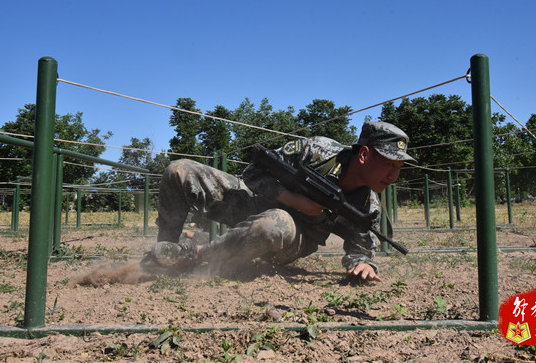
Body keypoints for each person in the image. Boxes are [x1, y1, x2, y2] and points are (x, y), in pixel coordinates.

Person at [141, 121, 416, 282]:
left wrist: (364, 265)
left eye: (399, 167)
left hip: (291, 238)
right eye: (389, 164)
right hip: (256, 203)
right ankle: (163, 251)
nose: (394, 175)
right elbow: (253, 171)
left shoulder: (367, 206)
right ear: (365, 155)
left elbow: (361, 251)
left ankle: (193, 257)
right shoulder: (318, 151)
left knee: (275, 223)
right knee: (179, 170)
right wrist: (294, 199)